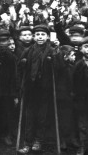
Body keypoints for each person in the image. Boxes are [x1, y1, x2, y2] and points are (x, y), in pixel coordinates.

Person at [18, 25, 55, 154]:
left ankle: (38, 140)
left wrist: (53, 61)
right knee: (30, 116)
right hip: (30, 88)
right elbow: (19, 67)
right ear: (34, 37)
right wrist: (23, 63)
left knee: (41, 116)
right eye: (37, 34)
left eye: (43, 34)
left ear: (47, 37)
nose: (40, 37)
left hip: (44, 88)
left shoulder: (52, 50)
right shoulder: (28, 51)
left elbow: (59, 68)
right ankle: (27, 142)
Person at [53, 45, 76, 150]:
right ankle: (62, 139)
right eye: (72, 55)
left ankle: (71, 138)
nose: (74, 57)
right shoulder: (60, 68)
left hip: (72, 96)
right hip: (62, 97)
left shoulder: (72, 66)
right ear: (65, 57)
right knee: (63, 119)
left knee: (72, 118)